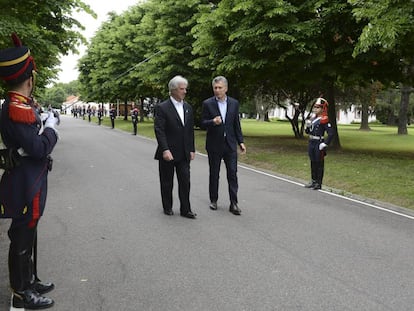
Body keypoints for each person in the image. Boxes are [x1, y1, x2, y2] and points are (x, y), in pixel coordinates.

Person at [0, 33, 59, 309]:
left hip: (30, 176)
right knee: (22, 233)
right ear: (29, 78)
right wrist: (50, 129)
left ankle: (30, 278)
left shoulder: (20, 104)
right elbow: (38, 148)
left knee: (30, 230)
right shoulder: (16, 107)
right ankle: (20, 294)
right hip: (26, 179)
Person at [201, 76, 246, 215]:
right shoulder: (208, 103)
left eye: (220, 87)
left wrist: (241, 142)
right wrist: (212, 122)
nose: (217, 90)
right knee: (214, 173)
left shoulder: (234, 103)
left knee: (232, 173)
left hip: (230, 145)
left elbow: (236, 124)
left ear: (226, 88)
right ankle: (213, 200)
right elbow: (202, 122)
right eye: (215, 88)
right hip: (214, 144)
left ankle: (234, 203)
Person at [154, 75, 196, 219]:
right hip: (168, 152)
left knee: (185, 181)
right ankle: (167, 206)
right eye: (181, 89)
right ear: (173, 90)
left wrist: (192, 149)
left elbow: (190, 130)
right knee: (167, 181)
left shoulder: (188, 107)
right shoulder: (162, 108)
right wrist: (165, 149)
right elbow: (159, 130)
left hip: (184, 152)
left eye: (185, 89)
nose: (184, 91)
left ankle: (186, 209)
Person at [304, 97, 334, 190]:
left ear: (323, 109)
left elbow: (331, 133)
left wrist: (325, 143)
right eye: (315, 107)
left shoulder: (324, 119)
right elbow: (308, 132)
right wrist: (307, 126)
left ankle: (318, 183)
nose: (315, 109)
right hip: (311, 142)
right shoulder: (313, 118)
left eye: (318, 107)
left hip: (319, 143)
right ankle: (313, 180)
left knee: (319, 163)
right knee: (313, 162)